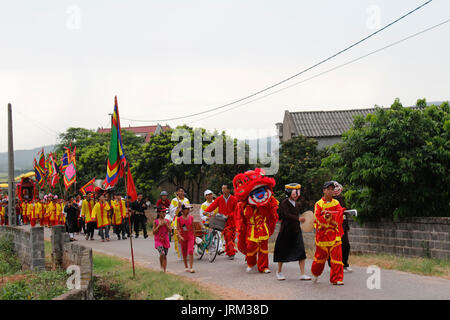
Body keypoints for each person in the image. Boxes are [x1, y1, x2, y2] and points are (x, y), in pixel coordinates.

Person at [233, 168, 279, 274]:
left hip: (263, 228)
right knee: (251, 247)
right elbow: (244, 218)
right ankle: (251, 263)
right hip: (251, 229)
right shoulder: (245, 206)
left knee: (264, 247)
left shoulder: (267, 204)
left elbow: (271, 213)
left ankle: (264, 266)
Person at [274, 183, 312, 281]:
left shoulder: (297, 204)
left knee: (301, 251)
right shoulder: (284, 203)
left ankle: (302, 273)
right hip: (286, 231)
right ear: (289, 192)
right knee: (282, 251)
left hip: (296, 231)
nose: (297, 194)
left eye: (297, 192)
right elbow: (286, 215)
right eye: (295, 192)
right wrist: (298, 218)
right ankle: (279, 272)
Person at [311, 181, 345, 285]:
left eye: (332, 189)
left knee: (337, 256)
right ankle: (315, 273)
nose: (330, 191)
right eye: (328, 189)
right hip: (323, 236)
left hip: (335, 235)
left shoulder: (336, 203)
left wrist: (332, 216)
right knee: (320, 258)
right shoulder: (319, 204)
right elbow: (317, 218)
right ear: (324, 190)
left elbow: (339, 216)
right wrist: (325, 217)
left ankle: (337, 279)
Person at [204, 185, 238, 259]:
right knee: (227, 236)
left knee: (229, 236)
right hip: (222, 221)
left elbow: (236, 211)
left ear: (228, 190)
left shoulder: (234, 199)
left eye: (225, 188)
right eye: (222, 188)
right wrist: (206, 211)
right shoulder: (219, 199)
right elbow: (213, 206)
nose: (223, 190)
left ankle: (231, 252)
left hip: (231, 221)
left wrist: (228, 215)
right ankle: (230, 252)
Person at [328, 181, 352, 273]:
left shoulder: (341, 198)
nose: (337, 190)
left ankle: (345, 264)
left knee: (346, 244)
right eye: (334, 188)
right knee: (334, 245)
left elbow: (344, 213)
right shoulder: (329, 200)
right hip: (333, 226)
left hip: (343, 225)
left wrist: (346, 225)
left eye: (338, 188)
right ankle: (332, 264)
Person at [199, 190, 224, 254]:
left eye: (211, 194)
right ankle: (211, 248)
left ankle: (219, 249)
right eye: (208, 195)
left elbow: (220, 211)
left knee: (218, 233)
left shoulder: (216, 202)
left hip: (216, 221)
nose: (210, 196)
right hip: (208, 222)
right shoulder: (203, 205)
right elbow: (202, 216)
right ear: (205, 196)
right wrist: (207, 218)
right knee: (210, 235)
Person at [169, 187, 190, 258]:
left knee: (185, 234)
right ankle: (180, 253)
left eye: (182, 191)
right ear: (177, 192)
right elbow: (172, 212)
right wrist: (178, 207)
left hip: (185, 221)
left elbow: (188, 210)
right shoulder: (174, 200)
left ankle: (185, 251)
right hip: (177, 220)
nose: (181, 192)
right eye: (179, 191)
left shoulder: (186, 200)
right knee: (178, 236)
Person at [177, 204, 195, 273]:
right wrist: (180, 236)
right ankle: (186, 266)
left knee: (190, 251)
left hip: (191, 237)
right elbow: (178, 229)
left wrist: (195, 237)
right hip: (183, 238)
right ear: (183, 210)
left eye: (189, 209)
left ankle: (191, 267)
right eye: (187, 209)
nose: (188, 210)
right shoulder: (179, 219)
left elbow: (193, 228)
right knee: (184, 253)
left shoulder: (191, 218)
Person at [153, 206, 172, 272]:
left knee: (165, 255)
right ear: (159, 213)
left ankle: (164, 270)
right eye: (162, 212)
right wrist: (159, 226)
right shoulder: (156, 221)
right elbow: (154, 232)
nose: (164, 214)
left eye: (165, 212)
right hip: (158, 240)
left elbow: (170, 231)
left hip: (165, 240)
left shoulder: (167, 221)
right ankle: (161, 267)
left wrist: (166, 225)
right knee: (162, 253)